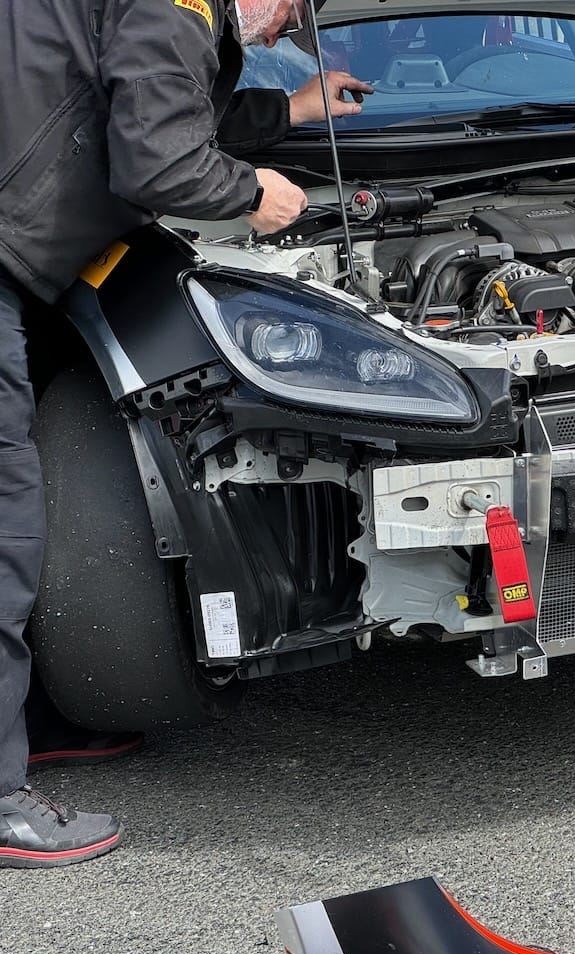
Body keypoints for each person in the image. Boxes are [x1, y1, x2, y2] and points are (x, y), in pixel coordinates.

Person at [0, 0, 372, 868]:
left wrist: (293, 110)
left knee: (27, 503)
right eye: (290, 13)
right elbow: (160, 155)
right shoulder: (176, 1)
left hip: (20, 257)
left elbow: (153, 98)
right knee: (5, 526)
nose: (279, 35)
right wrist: (251, 194)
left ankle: (38, 718)